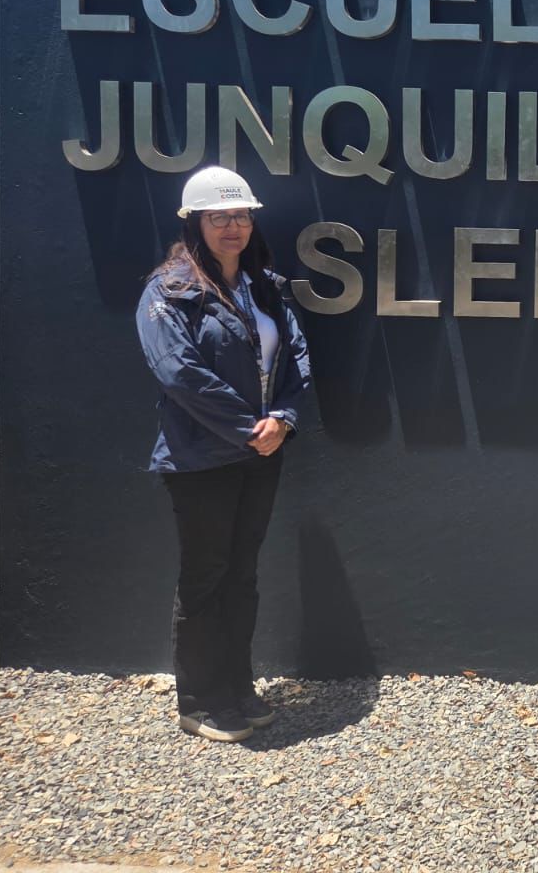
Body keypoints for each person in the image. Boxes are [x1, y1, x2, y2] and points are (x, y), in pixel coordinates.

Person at [136, 166, 311, 743]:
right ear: (195, 224)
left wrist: (282, 419)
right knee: (206, 577)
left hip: (261, 452)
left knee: (242, 575)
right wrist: (247, 428)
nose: (232, 227)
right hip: (201, 458)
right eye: (219, 217)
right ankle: (199, 701)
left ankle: (238, 687)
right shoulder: (168, 291)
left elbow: (295, 354)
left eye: (240, 216)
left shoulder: (264, 287)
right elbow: (178, 371)